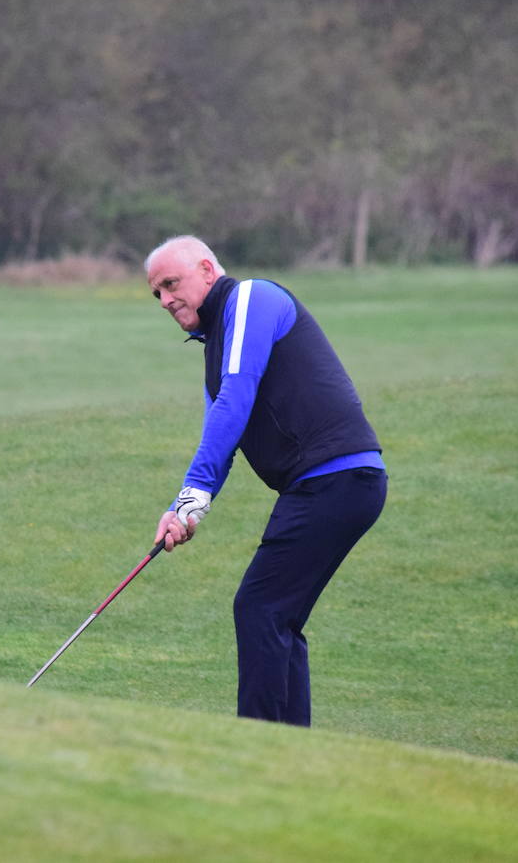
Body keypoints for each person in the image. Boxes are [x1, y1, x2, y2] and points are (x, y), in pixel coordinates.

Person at [145, 235, 386, 726]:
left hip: (336, 479)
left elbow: (235, 399)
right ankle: (289, 747)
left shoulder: (253, 298)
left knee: (260, 607)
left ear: (208, 270)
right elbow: (223, 434)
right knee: (276, 616)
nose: (166, 300)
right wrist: (183, 510)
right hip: (330, 485)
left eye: (172, 284)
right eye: (157, 294)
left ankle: (258, 745)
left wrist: (194, 499)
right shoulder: (217, 345)